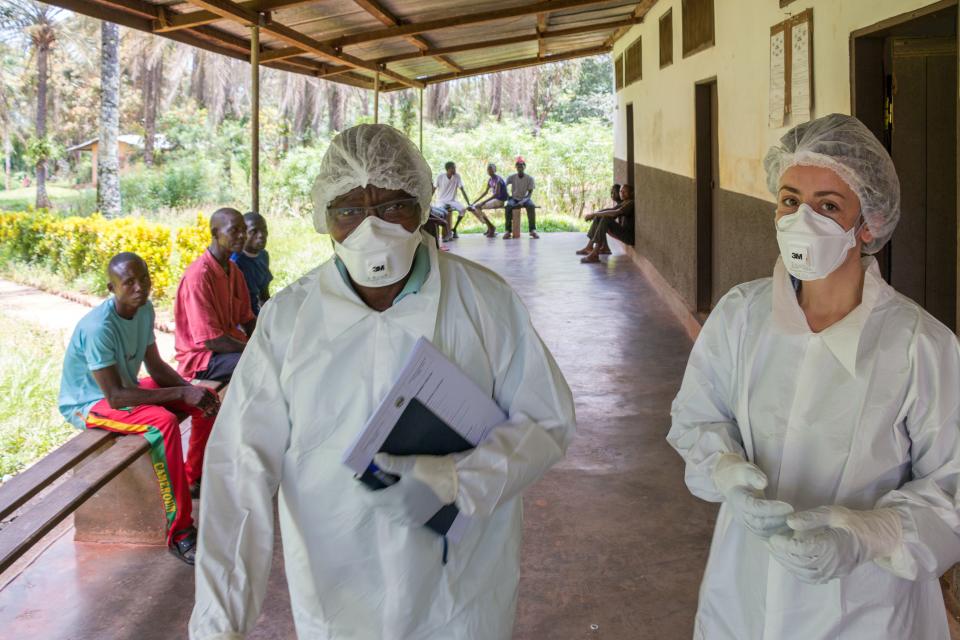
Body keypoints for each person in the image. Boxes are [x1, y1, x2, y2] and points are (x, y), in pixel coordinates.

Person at [190, 124, 576, 640]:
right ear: (324, 216)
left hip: (459, 589)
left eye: (393, 206)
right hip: (338, 591)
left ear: (421, 203)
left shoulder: (484, 302)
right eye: (349, 210)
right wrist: (221, 623)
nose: (372, 229)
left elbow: (546, 420)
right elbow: (240, 469)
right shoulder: (289, 321)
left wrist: (462, 478)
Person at [667, 113, 960, 639]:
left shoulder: (921, 346)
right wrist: (724, 472)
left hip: (870, 607)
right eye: (789, 200)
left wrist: (867, 536)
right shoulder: (741, 316)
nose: (802, 220)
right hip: (744, 588)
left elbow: (953, 484)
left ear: (867, 223)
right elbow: (697, 417)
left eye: (828, 206)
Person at [58, 252, 220, 565]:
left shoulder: (143, 309)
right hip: (90, 402)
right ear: (111, 287)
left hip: (123, 390)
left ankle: (191, 478)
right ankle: (180, 531)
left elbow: (156, 366)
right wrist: (181, 394)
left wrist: (189, 390)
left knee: (205, 399)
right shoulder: (98, 328)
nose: (138, 287)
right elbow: (116, 397)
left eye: (143, 278)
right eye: (128, 282)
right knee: (162, 423)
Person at [174, 208, 256, 383]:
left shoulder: (234, 271)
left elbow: (247, 319)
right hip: (203, 360)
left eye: (244, 230)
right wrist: (254, 348)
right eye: (235, 230)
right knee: (259, 364)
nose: (242, 236)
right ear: (215, 233)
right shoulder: (199, 276)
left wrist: (265, 340)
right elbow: (212, 341)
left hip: (228, 352)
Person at [579, 184, 635, 263]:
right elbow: (610, 210)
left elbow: (615, 212)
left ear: (631, 193)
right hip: (623, 233)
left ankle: (595, 253)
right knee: (601, 217)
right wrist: (595, 214)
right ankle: (590, 247)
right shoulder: (624, 202)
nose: (622, 193)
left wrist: (594, 214)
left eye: (625, 192)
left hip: (628, 237)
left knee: (605, 219)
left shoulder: (630, 203)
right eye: (620, 191)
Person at [230, 211, 273, 316]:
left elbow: (264, 293)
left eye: (264, 230)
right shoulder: (235, 263)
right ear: (243, 234)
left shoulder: (263, 256)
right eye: (254, 231)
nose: (261, 235)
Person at [462, 163, 504, 238]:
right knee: (472, 208)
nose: (490, 170)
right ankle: (489, 226)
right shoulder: (490, 180)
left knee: (477, 207)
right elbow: (485, 192)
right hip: (495, 200)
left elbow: (496, 194)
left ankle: (491, 227)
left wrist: (483, 202)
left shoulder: (498, 179)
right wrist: (474, 202)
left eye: (491, 168)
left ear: (495, 170)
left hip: (500, 201)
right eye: (488, 169)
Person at [434, 161, 471, 241]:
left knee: (462, 209)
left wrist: (469, 203)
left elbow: (462, 190)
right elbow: (434, 189)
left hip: (452, 201)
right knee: (445, 212)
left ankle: (454, 229)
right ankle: (447, 234)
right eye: (453, 168)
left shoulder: (457, 176)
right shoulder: (440, 177)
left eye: (455, 168)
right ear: (448, 169)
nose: (455, 169)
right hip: (441, 201)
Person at [504, 156, 538, 239]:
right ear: (516, 167)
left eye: (522, 165)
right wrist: (508, 196)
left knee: (531, 206)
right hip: (514, 198)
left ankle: (532, 230)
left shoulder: (530, 178)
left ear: (524, 167)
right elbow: (503, 185)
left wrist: (522, 202)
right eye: (518, 165)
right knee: (508, 206)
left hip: (525, 198)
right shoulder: (512, 177)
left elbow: (529, 194)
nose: (520, 167)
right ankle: (508, 231)